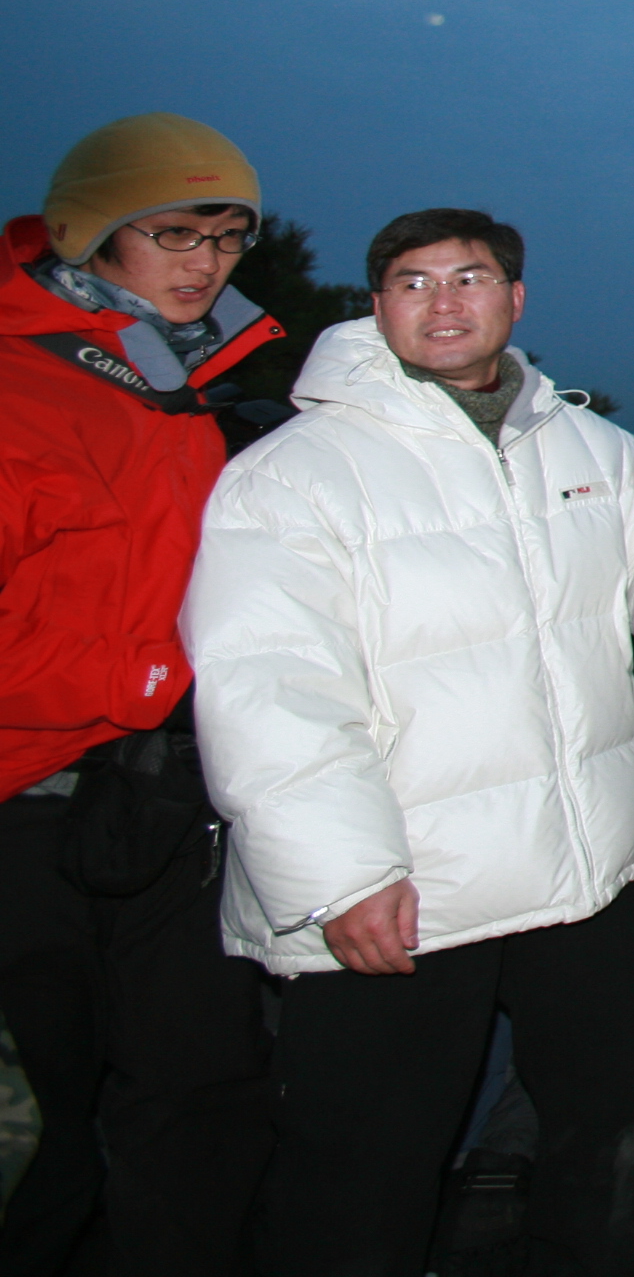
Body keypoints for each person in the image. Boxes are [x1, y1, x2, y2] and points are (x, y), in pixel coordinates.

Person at [185, 207, 634, 1277]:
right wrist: (340, 877)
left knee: (608, 1130)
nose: (445, 300)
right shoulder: (298, 471)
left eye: (470, 277)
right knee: (362, 1168)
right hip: (407, 882)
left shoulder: (584, 441)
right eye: (414, 282)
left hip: (583, 869)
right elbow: (265, 687)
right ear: (378, 307)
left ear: (515, 298)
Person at [0, 114, 282, 1275]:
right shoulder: (25, 384)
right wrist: (157, 675)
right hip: (29, 810)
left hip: (168, 805)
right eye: (173, 232)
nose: (205, 262)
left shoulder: (196, 385)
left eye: (227, 237)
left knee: (199, 1092)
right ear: (92, 233)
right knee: (45, 1125)